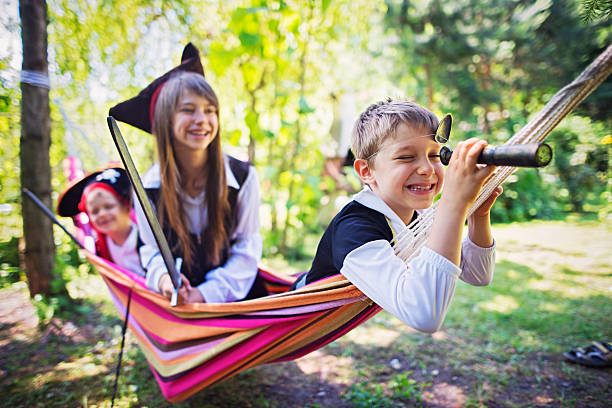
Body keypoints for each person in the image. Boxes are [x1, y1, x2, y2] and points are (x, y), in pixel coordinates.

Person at [292, 99, 503, 333]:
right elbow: (424, 316)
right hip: (292, 316)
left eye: (435, 156)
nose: (427, 169)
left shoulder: (421, 214)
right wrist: (454, 203)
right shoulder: (355, 229)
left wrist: (478, 215)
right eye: (406, 157)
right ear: (366, 171)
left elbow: (478, 275)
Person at [109, 43, 266, 304]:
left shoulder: (243, 178)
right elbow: (151, 249)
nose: (202, 119)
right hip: (178, 309)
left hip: (237, 307)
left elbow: (247, 248)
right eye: (188, 110)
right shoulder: (146, 186)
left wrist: (206, 294)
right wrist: (164, 279)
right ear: (165, 120)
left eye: (210, 110)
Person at [57, 167, 145, 277]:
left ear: (126, 207)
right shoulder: (100, 248)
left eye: (109, 207)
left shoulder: (145, 238)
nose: (102, 214)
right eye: (95, 211)